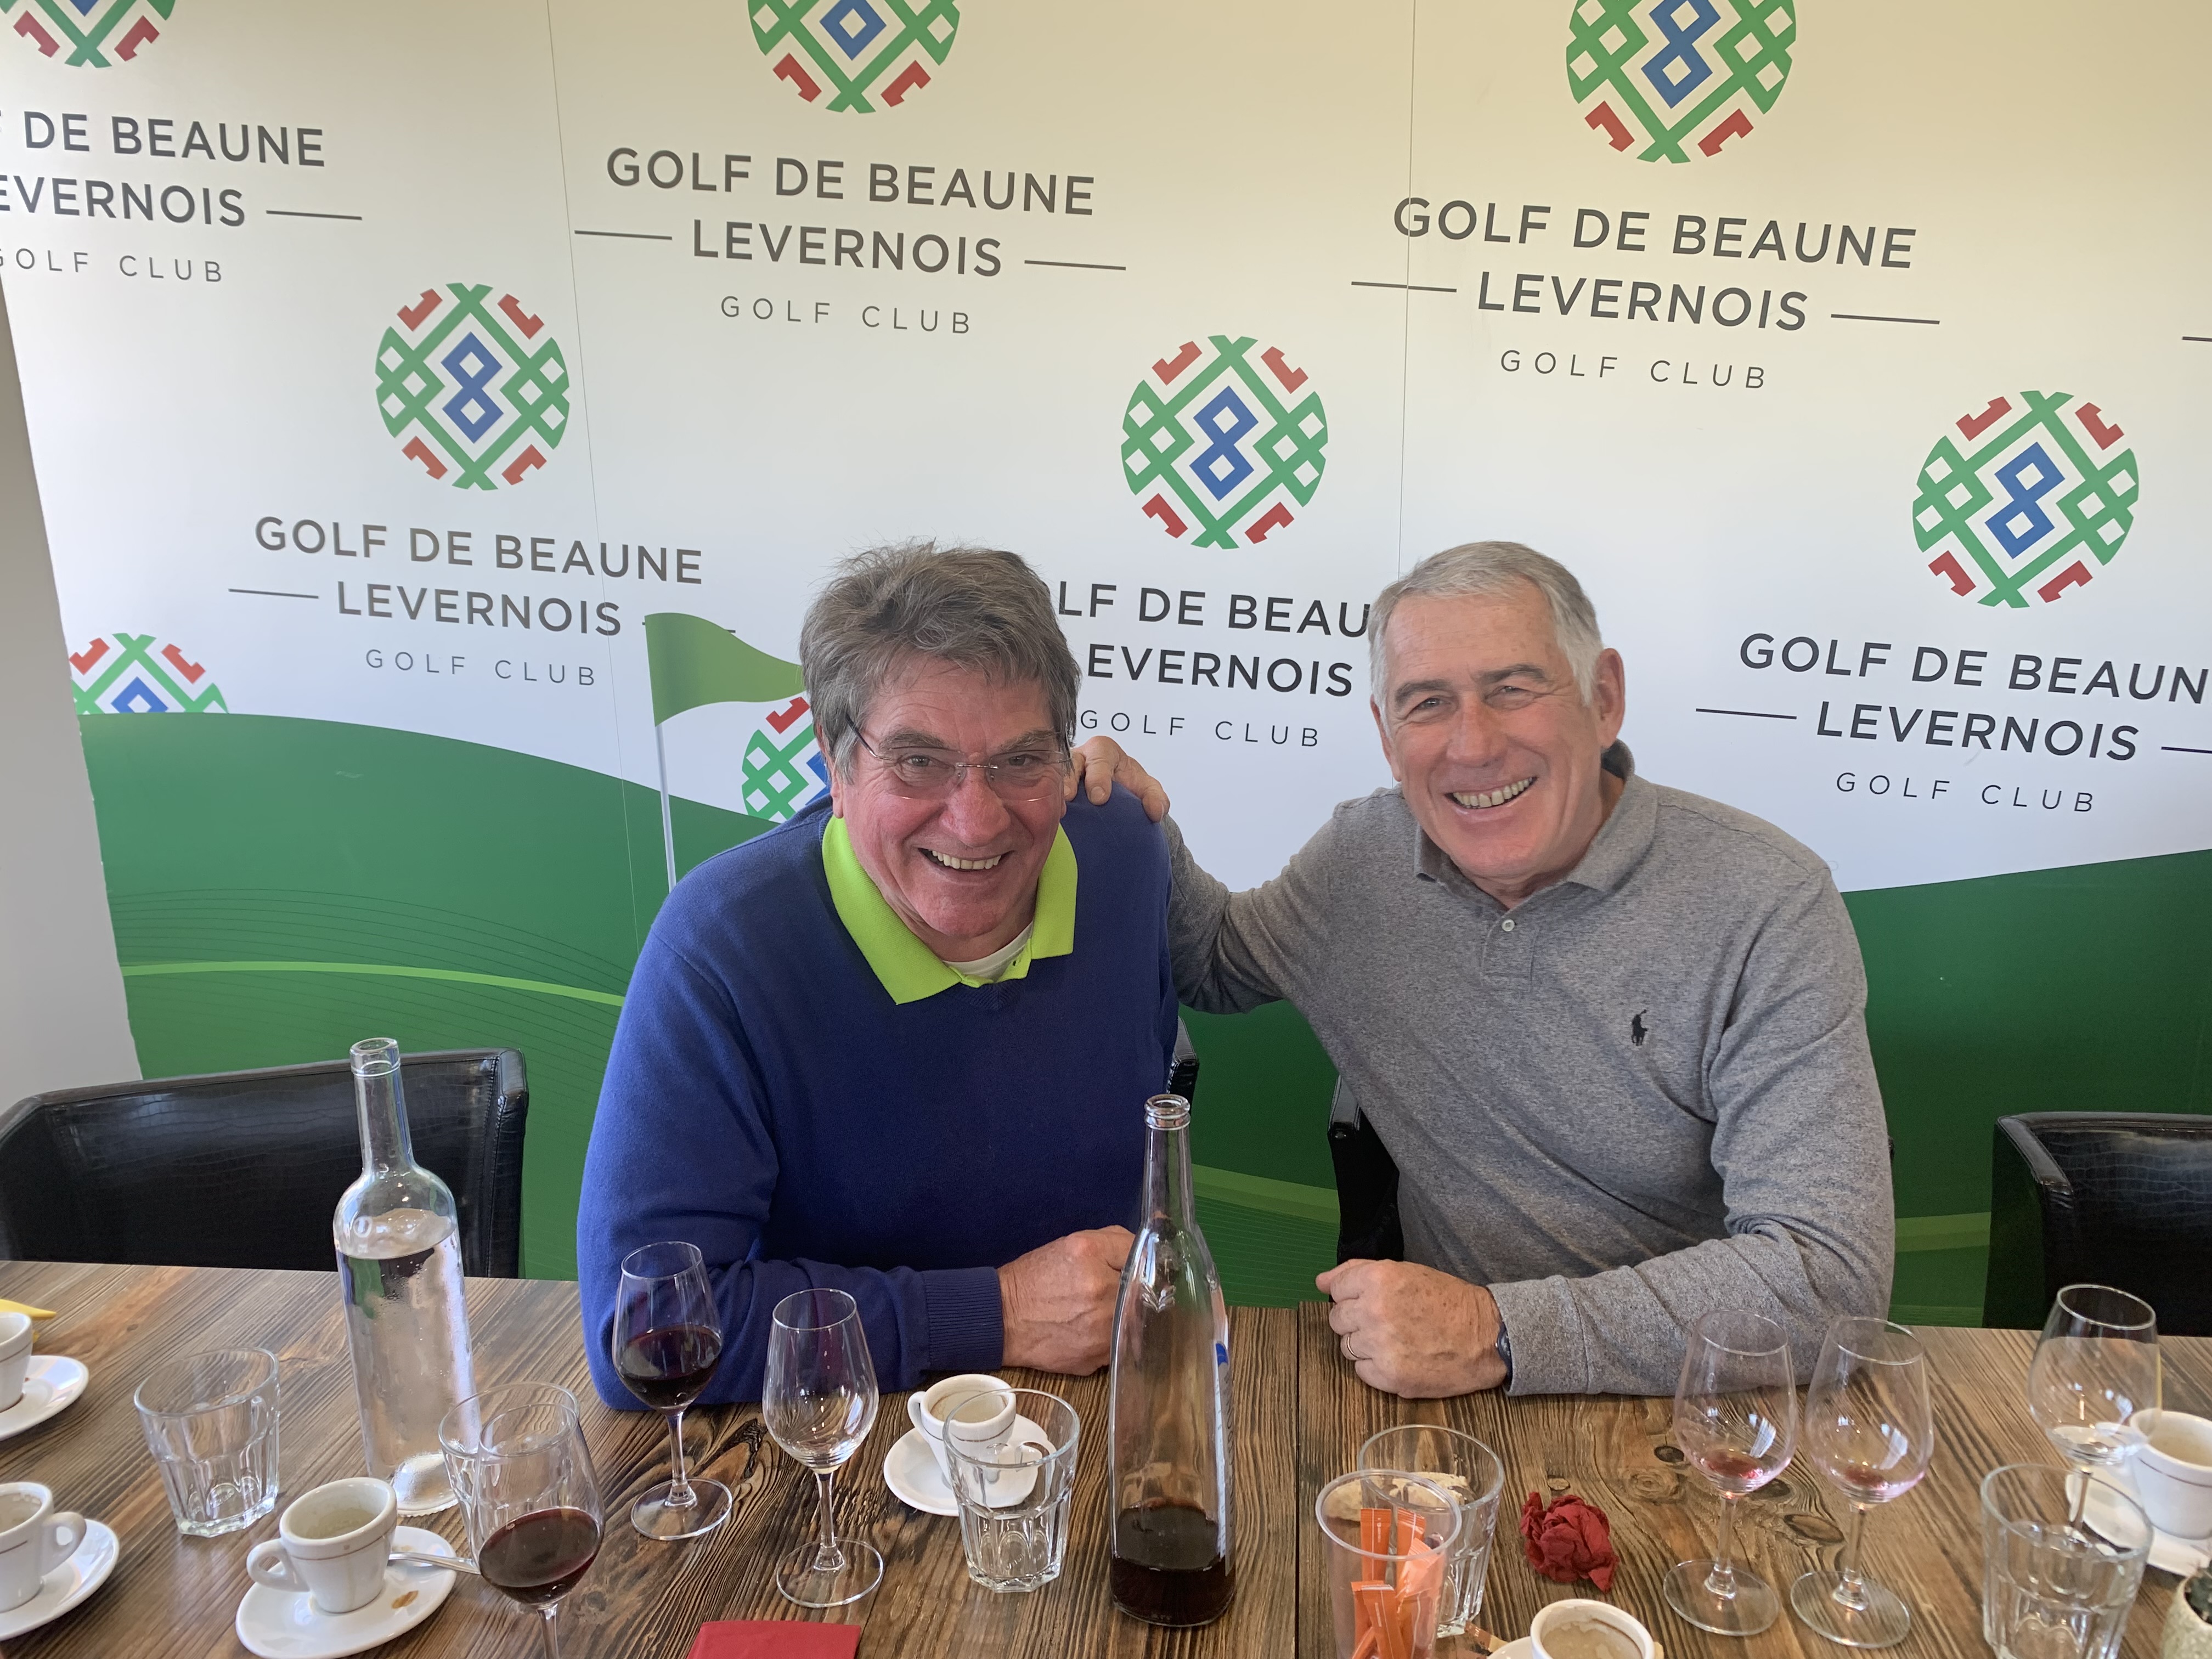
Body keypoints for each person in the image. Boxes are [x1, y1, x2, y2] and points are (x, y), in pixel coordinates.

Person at [1079, 540, 1892, 1397]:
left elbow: (1827, 1276)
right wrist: (1128, 816)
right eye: (1428, 703)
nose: (1473, 744)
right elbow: (1212, 960)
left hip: (1691, 1407)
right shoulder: (1363, 861)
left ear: (1604, 698)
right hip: (1445, 1412)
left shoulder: (1767, 901)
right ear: (1387, 736)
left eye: (1512, 689)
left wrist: (1498, 1331)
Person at [578, 543, 1177, 1406]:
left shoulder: (1126, 855)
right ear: (835, 762)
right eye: (919, 762)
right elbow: (645, 1334)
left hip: (1093, 1410)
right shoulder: (722, 947)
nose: (975, 822)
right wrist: (998, 1313)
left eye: (1019, 759)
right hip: (832, 1434)